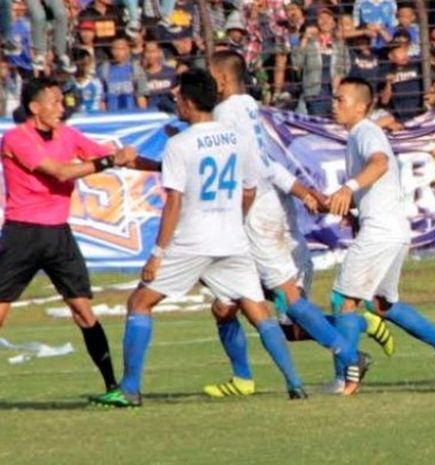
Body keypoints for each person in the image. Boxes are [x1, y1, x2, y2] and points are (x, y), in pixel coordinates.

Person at [90, 69, 307, 408]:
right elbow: (249, 188)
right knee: (256, 310)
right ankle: (295, 383)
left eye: (177, 98)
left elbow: (174, 201)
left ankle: (130, 389)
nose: (175, 102)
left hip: (193, 240)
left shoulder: (179, 143)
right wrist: (234, 220)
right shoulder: (234, 137)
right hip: (233, 238)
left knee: (139, 303)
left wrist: (158, 252)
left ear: (189, 103)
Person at [201, 50, 387, 398]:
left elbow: (253, 171)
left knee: (286, 305)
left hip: (257, 214)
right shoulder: (247, 105)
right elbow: (267, 162)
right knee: (225, 305)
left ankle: (350, 351)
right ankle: (243, 379)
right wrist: (303, 192)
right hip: (272, 207)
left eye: (209, 76)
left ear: (221, 80)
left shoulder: (225, 112)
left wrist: (236, 216)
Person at [0, 77, 138, 399]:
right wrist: (108, 161)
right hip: (22, 233)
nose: (62, 109)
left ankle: (112, 388)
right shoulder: (16, 139)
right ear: (35, 108)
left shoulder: (68, 135)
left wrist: (162, 167)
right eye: (55, 102)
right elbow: (60, 172)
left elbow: (117, 157)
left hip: (58, 234)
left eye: (62, 102)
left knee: (83, 310)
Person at [326, 76, 435, 395]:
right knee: (380, 303)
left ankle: (345, 379)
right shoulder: (358, 134)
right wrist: (353, 208)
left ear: (361, 107)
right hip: (392, 230)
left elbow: (380, 163)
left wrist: (350, 188)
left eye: (340, 100)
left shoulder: (365, 131)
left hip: (381, 233)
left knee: (343, 300)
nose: (334, 105)